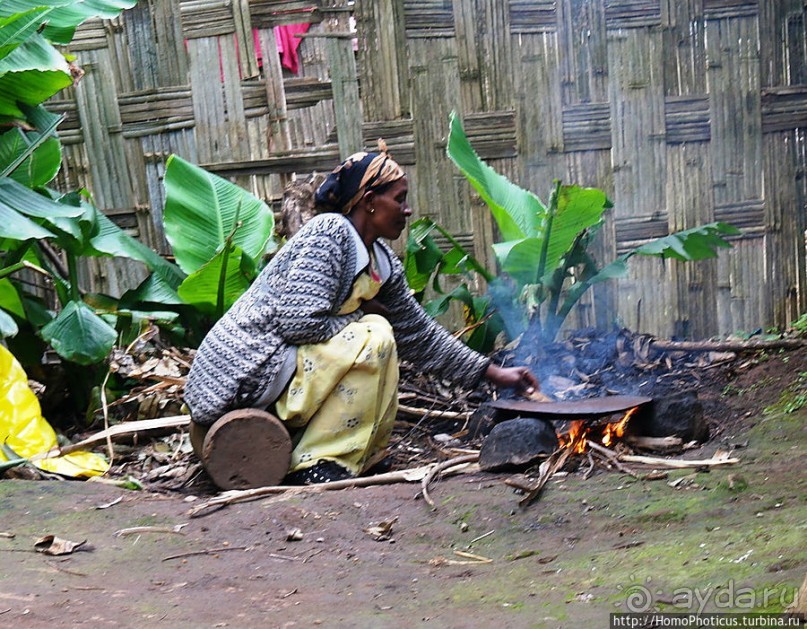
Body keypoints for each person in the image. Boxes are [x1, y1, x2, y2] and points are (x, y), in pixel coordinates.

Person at [184, 148, 538, 485]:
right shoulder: (329, 234)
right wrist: (360, 313)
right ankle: (319, 463)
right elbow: (297, 322)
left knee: (383, 331)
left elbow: (419, 336)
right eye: (399, 199)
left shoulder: (380, 260)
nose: (408, 210)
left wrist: (493, 373)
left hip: (279, 370)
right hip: (246, 376)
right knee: (376, 333)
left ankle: (361, 453)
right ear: (370, 201)